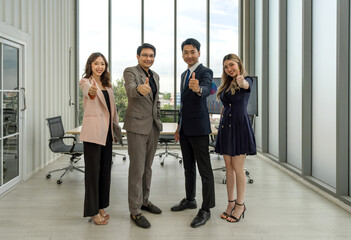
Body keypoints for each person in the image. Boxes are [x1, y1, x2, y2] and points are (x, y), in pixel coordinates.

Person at [171, 38, 215, 228]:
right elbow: (184, 105)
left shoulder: (205, 71)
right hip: (186, 128)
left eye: (192, 52)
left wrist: (199, 89)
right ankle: (190, 199)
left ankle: (206, 209)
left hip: (199, 128)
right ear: (182, 54)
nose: (189, 55)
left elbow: (206, 88)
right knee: (188, 167)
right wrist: (179, 126)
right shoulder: (183, 74)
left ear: (199, 53)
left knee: (204, 170)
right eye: (185, 52)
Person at [123, 43, 163, 229]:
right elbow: (130, 89)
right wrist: (140, 89)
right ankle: (135, 210)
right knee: (137, 170)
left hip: (153, 127)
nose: (148, 58)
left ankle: (145, 201)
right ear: (138, 56)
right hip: (137, 126)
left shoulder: (155, 76)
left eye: (151, 55)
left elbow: (155, 103)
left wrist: (159, 121)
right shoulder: (130, 71)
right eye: (145, 55)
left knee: (147, 168)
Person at [215, 53, 256, 223]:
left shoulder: (246, 80)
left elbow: (246, 85)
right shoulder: (225, 84)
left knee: (238, 168)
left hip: (239, 127)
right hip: (226, 127)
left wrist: (242, 82)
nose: (229, 69)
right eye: (226, 67)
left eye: (232, 65)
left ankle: (240, 205)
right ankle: (230, 203)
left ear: (239, 64)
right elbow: (225, 107)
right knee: (228, 167)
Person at [79, 52, 119, 225]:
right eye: (96, 63)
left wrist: (115, 130)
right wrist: (92, 91)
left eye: (102, 64)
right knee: (93, 174)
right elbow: (88, 91)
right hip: (94, 133)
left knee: (105, 172)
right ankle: (92, 211)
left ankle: (101, 205)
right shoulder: (86, 82)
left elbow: (113, 110)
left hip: (107, 134)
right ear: (90, 65)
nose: (100, 67)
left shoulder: (108, 85)